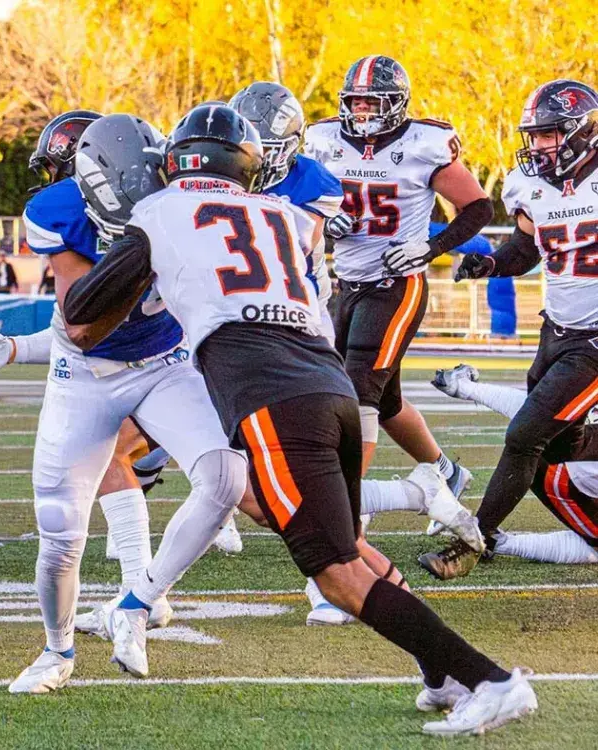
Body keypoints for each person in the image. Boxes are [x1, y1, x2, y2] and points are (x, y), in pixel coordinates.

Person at [63, 103, 535, 736]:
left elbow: (82, 313)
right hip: (330, 384)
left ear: (174, 161)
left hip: (273, 395)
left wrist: (123, 246)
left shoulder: (158, 213)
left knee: (336, 574)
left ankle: (490, 681)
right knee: (347, 546)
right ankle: (441, 672)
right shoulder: (280, 214)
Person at [7, 113, 247, 695]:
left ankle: (137, 602)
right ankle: (57, 651)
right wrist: (143, 262)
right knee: (60, 529)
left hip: (165, 362)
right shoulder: (57, 209)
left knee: (226, 476)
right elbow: (83, 325)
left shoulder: (178, 202)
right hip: (84, 373)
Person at [422, 80, 598, 579]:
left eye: (548, 135)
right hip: (557, 330)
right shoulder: (529, 184)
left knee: (524, 436)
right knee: (557, 445)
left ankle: (473, 541)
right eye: (534, 136)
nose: (537, 146)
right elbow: (525, 248)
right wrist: (492, 265)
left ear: (581, 131)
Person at [303, 55, 489, 495]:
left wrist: (431, 247)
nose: (361, 110)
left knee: (358, 389)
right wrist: (324, 219)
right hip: (346, 283)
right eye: (356, 101)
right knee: (385, 402)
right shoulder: (324, 139)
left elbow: (479, 206)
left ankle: (346, 498)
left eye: (371, 102)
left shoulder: (424, 143)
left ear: (396, 103)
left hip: (396, 284)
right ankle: (447, 473)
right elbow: (302, 200)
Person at [430, 364, 598, 564]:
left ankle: (492, 539)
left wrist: (467, 389)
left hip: (553, 452)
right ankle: (491, 541)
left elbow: (540, 410)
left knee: (549, 414)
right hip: (560, 468)